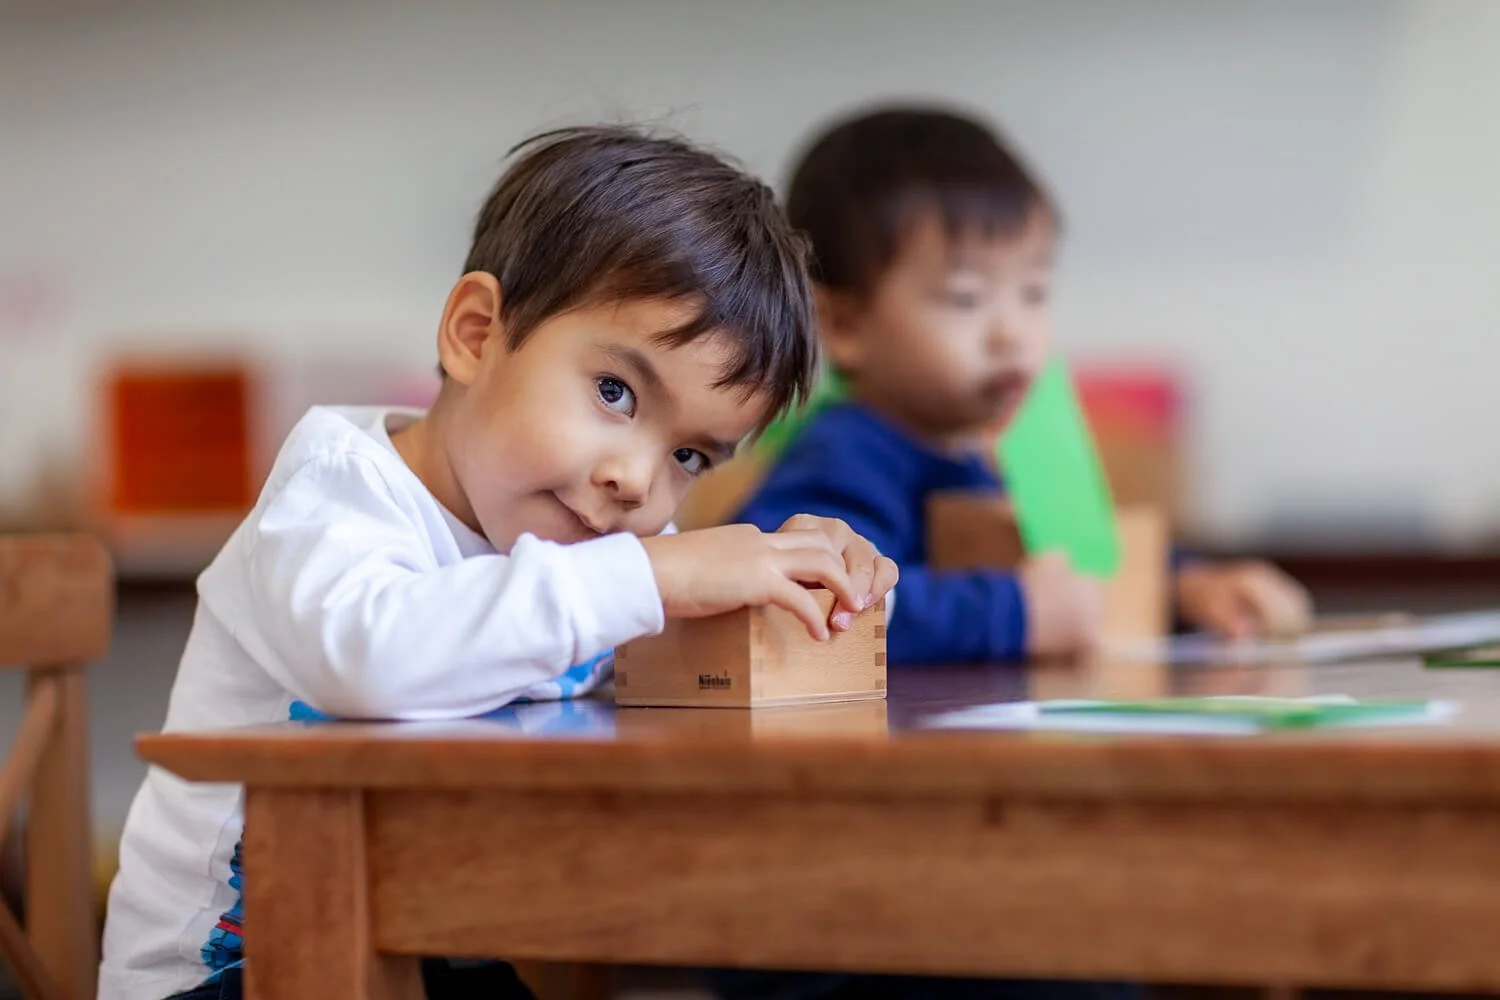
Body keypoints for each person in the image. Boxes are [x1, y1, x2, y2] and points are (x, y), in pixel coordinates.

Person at [99, 125, 897, 1000]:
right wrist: (664, 578)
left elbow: (670, 662)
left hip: (430, 941)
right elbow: (372, 659)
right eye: (614, 393)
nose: (634, 479)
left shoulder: (596, 542)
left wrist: (811, 598)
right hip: (236, 974)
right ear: (476, 334)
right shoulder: (337, 495)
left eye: (691, 458)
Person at [735, 106, 1310, 665]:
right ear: (843, 324)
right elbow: (811, 597)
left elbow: (1081, 558)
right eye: (966, 297)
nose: (1012, 333)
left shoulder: (1000, 452)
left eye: (1033, 291)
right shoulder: (845, 455)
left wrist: (1187, 585)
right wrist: (1014, 612)